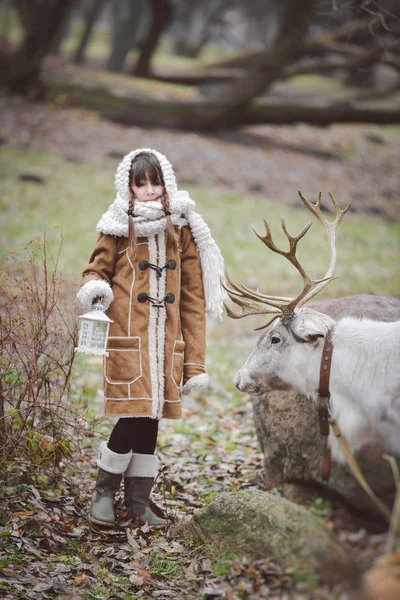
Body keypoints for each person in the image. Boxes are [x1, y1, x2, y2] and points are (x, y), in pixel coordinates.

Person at [77, 148, 225, 528]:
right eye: (139, 183)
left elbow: (193, 296)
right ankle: (103, 495)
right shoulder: (115, 224)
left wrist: (194, 360)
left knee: (151, 420)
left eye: (154, 182)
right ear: (128, 185)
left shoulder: (182, 227)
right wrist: (97, 289)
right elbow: (95, 270)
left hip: (166, 345)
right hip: (129, 341)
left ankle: (138, 503)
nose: (147, 190)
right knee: (131, 416)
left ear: (166, 183)